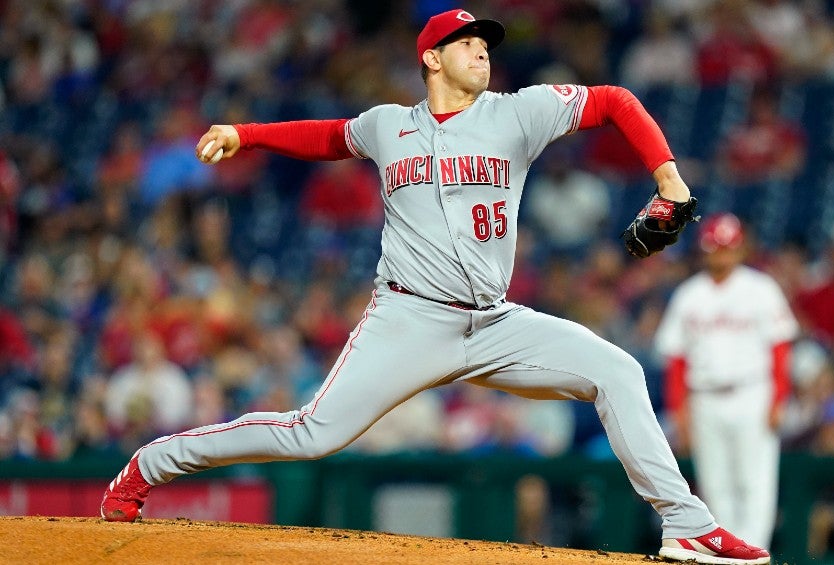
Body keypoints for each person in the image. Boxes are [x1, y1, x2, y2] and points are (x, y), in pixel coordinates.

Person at [99, 9, 770, 564]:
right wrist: (245, 134)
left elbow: (617, 102)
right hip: (408, 320)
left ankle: (685, 523)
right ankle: (148, 465)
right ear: (432, 60)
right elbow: (329, 136)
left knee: (617, 370)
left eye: (484, 44)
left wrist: (669, 178)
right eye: (467, 44)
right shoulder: (390, 124)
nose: (482, 53)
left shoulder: (519, 114)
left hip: (495, 323)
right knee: (309, 434)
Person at [653, 213, 799, 550]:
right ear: (704, 251)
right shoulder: (689, 295)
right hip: (704, 397)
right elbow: (676, 360)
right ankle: (728, 553)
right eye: (715, 248)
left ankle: (755, 552)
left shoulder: (761, 289)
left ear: (740, 249)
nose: (721, 254)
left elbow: (779, 348)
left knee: (754, 481)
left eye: (727, 247)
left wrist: (779, 398)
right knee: (715, 484)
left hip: (752, 392)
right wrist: (679, 411)